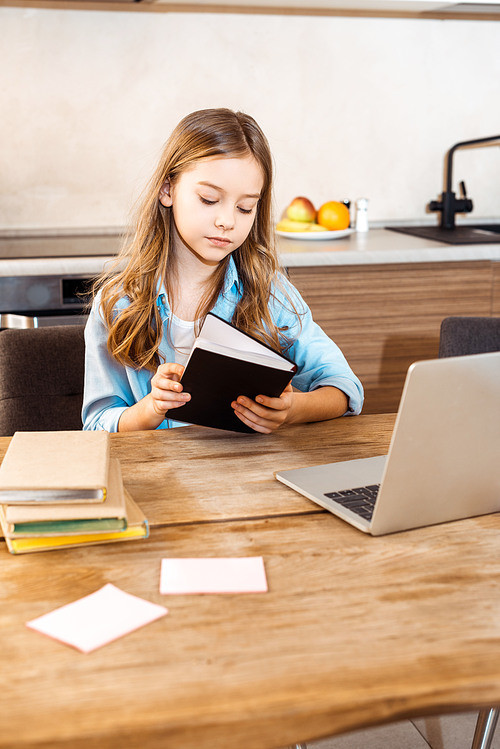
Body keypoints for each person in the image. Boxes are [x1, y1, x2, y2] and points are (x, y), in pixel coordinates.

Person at [83, 108, 363, 434]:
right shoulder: (119, 303)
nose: (227, 221)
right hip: (153, 480)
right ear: (167, 190)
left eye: (245, 207)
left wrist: (292, 409)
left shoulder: (269, 293)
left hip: (240, 481)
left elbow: (344, 387)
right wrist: (150, 409)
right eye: (209, 199)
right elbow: (96, 425)